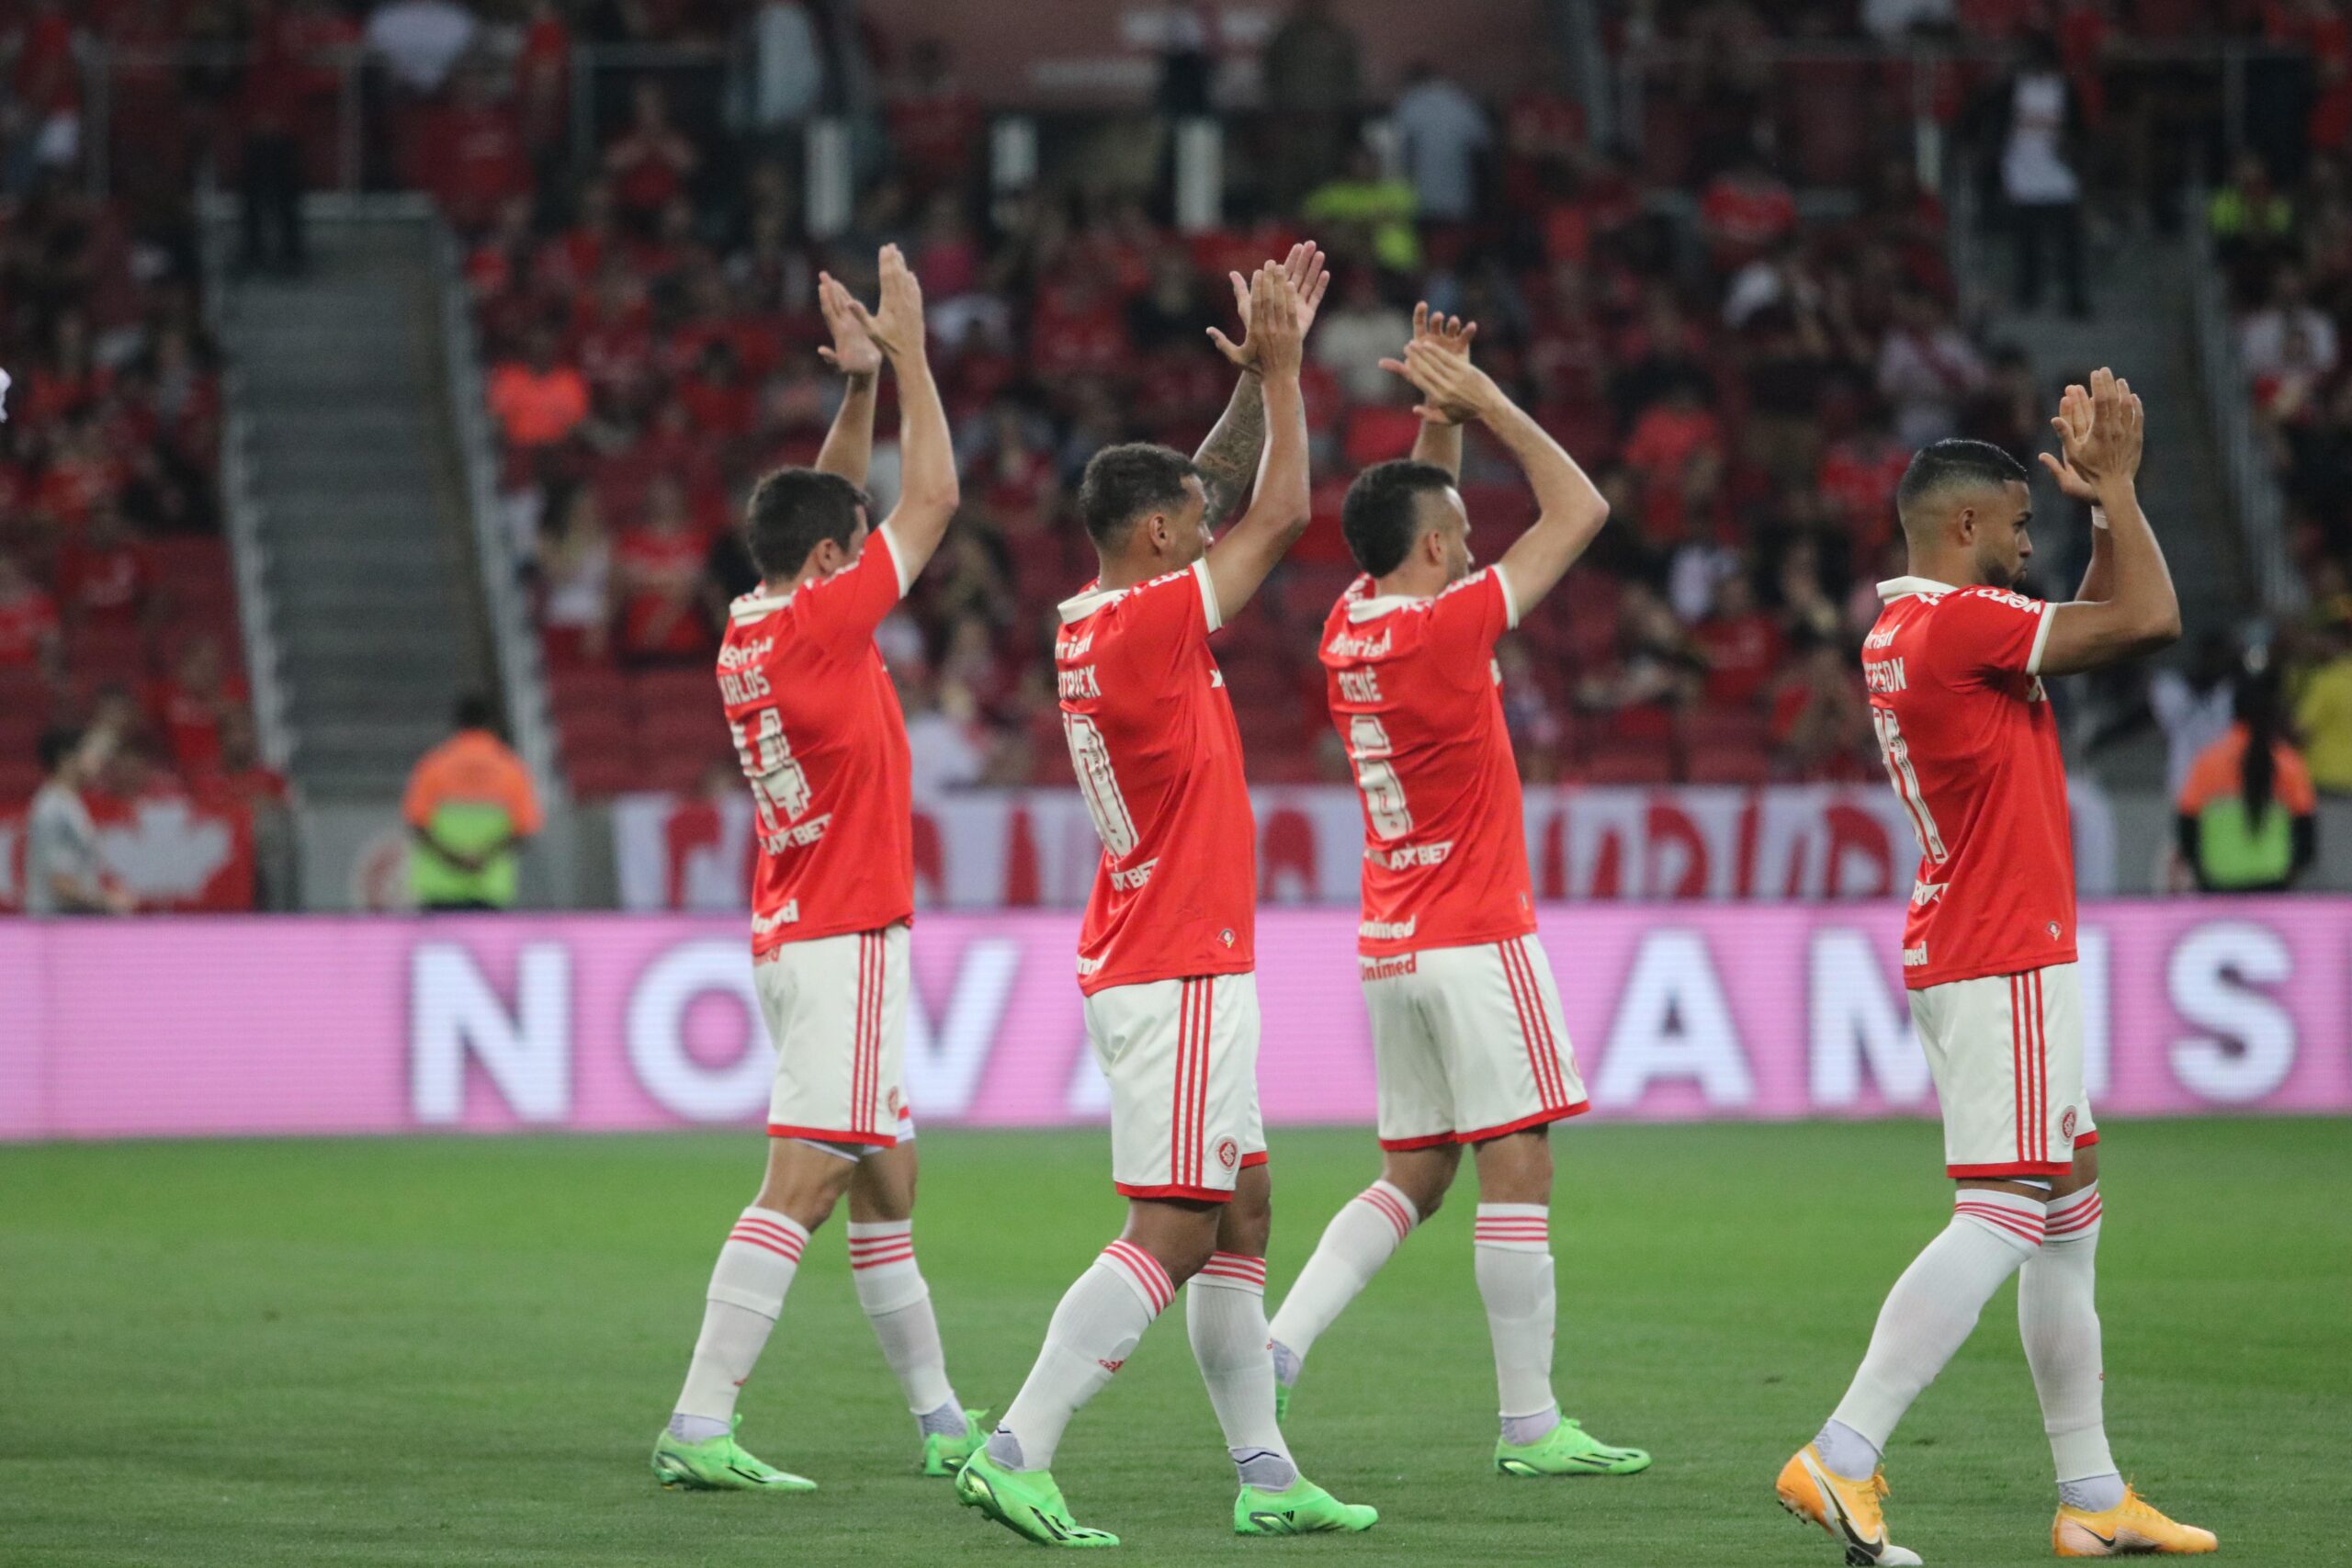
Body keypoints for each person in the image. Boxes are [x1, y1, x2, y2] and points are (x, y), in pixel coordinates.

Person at [955, 245, 1378, 1547]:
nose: (1209, 527)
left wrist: (1249, 380)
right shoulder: (1146, 624)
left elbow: (1215, 488)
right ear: (1156, 538)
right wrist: (1291, 378)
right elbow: (1283, 514)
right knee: (1179, 1222)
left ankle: (1266, 1470)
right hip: (1177, 959)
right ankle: (1018, 1444)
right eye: (1191, 523)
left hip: (1166, 947)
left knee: (1243, 1207)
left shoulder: (1096, 612)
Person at [1780, 375, 2214, 1562]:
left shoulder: (1909, 627)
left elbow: (2088, 616)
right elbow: (2147, 621)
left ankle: (2091, 1492)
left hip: (1980, 941)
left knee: (2065, 1206)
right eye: (2021, 526)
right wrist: (2120, 489)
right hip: (2001, 948)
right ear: (1962, 524)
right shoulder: (1964, 625)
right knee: (2007, 1207)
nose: (2032, 547)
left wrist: (2105, 511)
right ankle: (1844, 1450)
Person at [1265, 305, 1647, 1477]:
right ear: (1434, 553)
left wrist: (1438, 417)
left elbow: (1407, 518)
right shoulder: (1447, 628)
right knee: (1517, 1162)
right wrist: (1489, 406)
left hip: (1391, 940)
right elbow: (1580, 510)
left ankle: (1276, 1347)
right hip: (1477, 933)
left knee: (1416, 1172)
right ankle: (1531, 1426)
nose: (1478, 551)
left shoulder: (1347, 625)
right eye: (1465, 537)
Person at [650, 250, 983, 1493]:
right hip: (842, 933)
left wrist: (857, 388)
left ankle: (941, 1418)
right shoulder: (825, 622)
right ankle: (698, 1421)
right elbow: (933, 499)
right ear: (837, 563)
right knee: (802, 1182)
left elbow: (828, 510)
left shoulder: (755, 621)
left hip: (806, 926)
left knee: (887, 1183)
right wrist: (911, 358)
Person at [2177, 671, 2318, 892]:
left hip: (2217, 884)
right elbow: (2306, 836)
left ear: (2233, 711)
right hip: (2274, 883)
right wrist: (2290, 872)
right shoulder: (2288, 762)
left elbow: (2187, 829)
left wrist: (2201, 872)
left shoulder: (2208, 761)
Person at [401, 694, 542, 911]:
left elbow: (417, 824)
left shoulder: (433, 765)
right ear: (492, 724)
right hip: (489, 887)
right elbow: (524, 830)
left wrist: (454, 859)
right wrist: (482, 858)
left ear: (458, 723)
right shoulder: (512, 768)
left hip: (440, 886)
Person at [25, 726, 134, 916]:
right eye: (88, 753)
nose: (97, 761)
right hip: (55, 925)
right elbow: (60, 884)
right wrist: (107, 901)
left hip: (68, 921)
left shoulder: (70, 804)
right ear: (66, 759)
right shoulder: (53, 810)